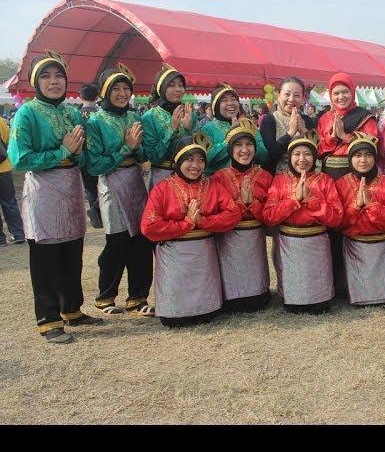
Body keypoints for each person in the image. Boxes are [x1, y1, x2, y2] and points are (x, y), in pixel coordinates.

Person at [8, 50, 103, 344]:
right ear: (37, 82)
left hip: (71, 187)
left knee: (72, 251)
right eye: (46, 76)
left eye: (59, 75)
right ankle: (48, 320)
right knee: (46, 255)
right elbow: (19, 158)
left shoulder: (72, 112)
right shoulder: (27, 113)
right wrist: (63, 151)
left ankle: (72, 309)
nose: (54, 82)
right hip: (44, 190)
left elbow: (84, 151)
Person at [141, 135, 242, 327]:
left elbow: (233, 213)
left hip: (204, 254)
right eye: (190, 159)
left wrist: (202, 221)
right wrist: (185, 224)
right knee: (174, 318)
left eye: (201, 160)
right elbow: (149, 227)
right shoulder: (162, 188)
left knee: (207, 313)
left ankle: (208, 307)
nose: (196, 165)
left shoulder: (213, 185)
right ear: (178, 160)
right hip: (174, 257)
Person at [85, 63, 155, 316]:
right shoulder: (95, 122)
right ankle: (106, 297)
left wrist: (136, 149)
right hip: (111, 183)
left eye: (126, 88)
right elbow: (94, 164)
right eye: (116, 88)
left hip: (135, 181)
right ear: (105, 91)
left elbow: (145, 153)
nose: (122, 93)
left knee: (140, 241)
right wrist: (126, 148)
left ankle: (138, 297)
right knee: (116, 241)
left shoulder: (135, 117)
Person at [262, 134, 343, 314]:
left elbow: (336, 217)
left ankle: (320, 298)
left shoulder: (325, 181)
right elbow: (269, 216)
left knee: (319, 301)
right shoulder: (280, 181)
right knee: (293, 301)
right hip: (288, 244)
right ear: (289, 157)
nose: (302, 159)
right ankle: (291, 298)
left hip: (317, 242)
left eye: (307, 154)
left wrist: (311, 201)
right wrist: (294, 200)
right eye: (296, 154)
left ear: (314, 158)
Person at [316, 72, 379, 293]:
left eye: (345, 92)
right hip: (330, 174)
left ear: (352, 93)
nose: (341, 96)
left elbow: (372, 144)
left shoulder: (365, 117)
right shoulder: (324, 118)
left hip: (355, 172)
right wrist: (333, 137)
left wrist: (345, 137)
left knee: (353, 221)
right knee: (332, 224)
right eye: (336, 93)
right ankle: (332, 281)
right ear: (330, 95)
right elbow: (319, 149)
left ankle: (353, 282)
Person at [335, 133, 385, 305]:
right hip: (354, 246)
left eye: (368, 155)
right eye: (358, 155)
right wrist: (356, 206)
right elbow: (337, 222)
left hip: (383, 246)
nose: (363, 160)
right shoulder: (341, 184)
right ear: (350, 159)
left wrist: (373, 206)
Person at [212, 118, 274, 313]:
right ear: (230, 150)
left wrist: (252, 204)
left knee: (256, 291)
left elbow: (269, 213)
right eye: (238, 145)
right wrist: (241, 204)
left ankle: (259, 293)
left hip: (254, 237)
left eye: (249, 144)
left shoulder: (265, 176)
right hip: (228, 238)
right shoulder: (219, 177)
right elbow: (216, 212)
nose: (244, 150)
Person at [141, 63, 199, 189]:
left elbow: (199, 151)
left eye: (181, 85)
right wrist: (172, 129)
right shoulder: (149, 117)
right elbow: (154, 157)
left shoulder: (190, 114)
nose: (178, 89)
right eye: (172, 85)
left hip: (188, 176)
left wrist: (189, 129)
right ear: (161, 89)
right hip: (161, 177)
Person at [201, 84, 269, 174]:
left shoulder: (248, 125)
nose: (230, 103)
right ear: (216, 106)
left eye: (233, 99)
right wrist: (230, 137)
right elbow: (206, 158)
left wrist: (251, 141)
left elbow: (264, 157)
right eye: (224, 100)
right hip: (218, 182)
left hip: (247, 179)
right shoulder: (208, 128)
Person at [260, 77, 316, 175]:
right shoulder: (269, 120)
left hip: (306, 176)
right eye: (287, 94)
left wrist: (304, 131)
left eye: (297, 95)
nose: (291, 99)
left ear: (303, 98)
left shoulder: (307, 120)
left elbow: (317, 150)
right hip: (276, 179)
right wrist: (290, 133)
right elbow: (271, 154)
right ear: (278, 95)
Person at [78, 83, 103, 228]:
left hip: (83, 157)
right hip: (100, 156)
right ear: (97, 96)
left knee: (89, 186)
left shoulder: (76, 114)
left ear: (80, 96)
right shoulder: (101, 115)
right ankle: (97, 209)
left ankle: (96, 212)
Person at [0, 117, 25, 246]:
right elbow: (7, 139)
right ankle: (18, 233)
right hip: (3, 168)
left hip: (4, 168)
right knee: (9, 202)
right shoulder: (0, 121)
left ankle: (0, 240)